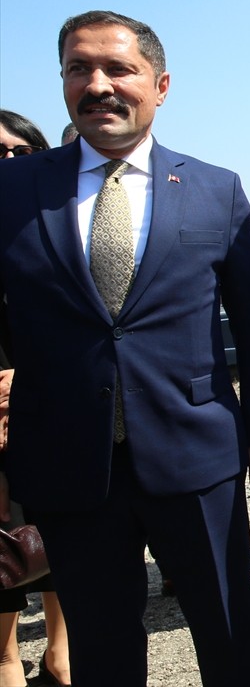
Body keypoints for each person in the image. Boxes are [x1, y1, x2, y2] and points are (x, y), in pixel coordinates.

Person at [0, 10, 250, 686]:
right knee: (101, 652)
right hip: (68, 460)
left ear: (159, 85)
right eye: (79, 68)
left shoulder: (216, 190)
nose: (98, 84)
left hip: (196, 456)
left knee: (230, 634)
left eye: (117, 69)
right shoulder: (13, 189)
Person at [0, 111, 70, 687]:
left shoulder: (62, 224)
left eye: (20, 151)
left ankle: (59, 654)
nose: (9, 163)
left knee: (56, 537)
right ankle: (5, 660)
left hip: (52, 404)